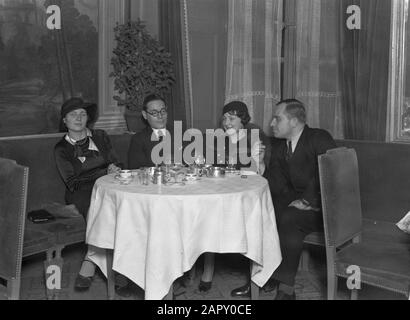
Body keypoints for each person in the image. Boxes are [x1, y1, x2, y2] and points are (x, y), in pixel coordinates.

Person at [231, 99, 337, 300]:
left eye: (277, 119)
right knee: (262, 214)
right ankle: (262, 276)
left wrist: (307, 201)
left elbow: (330, 170)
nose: (271, 123)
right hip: (294, 208)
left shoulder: (319, 137)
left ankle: (286, 288)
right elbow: (276, 186)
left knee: (288, 217)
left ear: (295, 121)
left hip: (325, 210)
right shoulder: (281, 146)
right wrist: (260, 164)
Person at [54, 97, 125, 293]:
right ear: (64, 121)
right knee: (100, 211)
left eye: (82, 114)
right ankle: (114, 269)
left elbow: (117, 162)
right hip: (81, 193)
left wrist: (114, 167)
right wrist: (103, 172)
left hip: (109, 186)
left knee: (125, 208)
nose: (78, 118)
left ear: (88, 118)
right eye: (73, 114)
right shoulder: (61, 148)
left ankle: (90, 263)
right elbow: (72, 183)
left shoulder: (100, 136)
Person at [199, 101, 268, 293]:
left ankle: (255, 275)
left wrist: (258, 160)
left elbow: (259, 172)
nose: (227, 122)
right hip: (222, 191)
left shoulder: (256, 137)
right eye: (225, 118)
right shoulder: (217, 138)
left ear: (243, 120)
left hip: (246, 194)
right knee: (209, 216)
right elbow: (211, 167)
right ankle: (208, 268)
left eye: (232, 118)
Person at [128, 93, 173, 169]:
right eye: (154, 113)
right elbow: (136, 171)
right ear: (145, 115)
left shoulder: (179, 133)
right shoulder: (138, 140)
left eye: (163, 111)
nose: (160, 116)